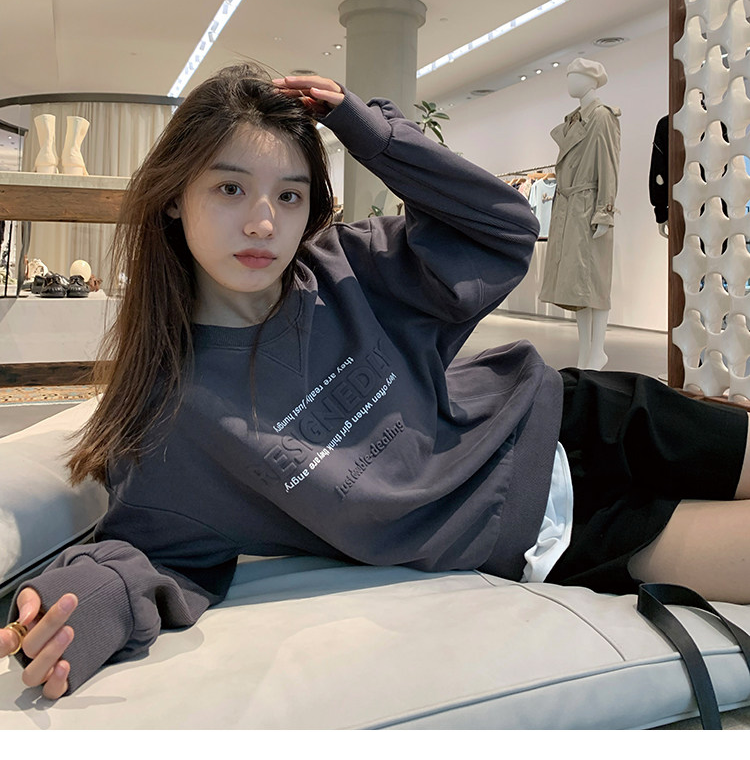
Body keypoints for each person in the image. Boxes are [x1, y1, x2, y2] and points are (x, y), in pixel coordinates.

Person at [2, 64, 749, 701]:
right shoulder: (173, 418)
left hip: (584, 416)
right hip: (547, 535)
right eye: (230, 189)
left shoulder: (349, 268)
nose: (262, 223)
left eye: (289, 195)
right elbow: (148, 552)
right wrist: (87, 603)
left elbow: (502, 229)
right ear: (174, 196)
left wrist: (376, 137)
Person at [539, 57, 621, 370]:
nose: (569, 82)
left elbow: (609, 166)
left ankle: (598, 349)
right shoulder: (574, 119)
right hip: (570, 207)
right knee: (577, 285)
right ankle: (586, 349)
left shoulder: (601, 116)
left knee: (594, 282)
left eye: (574, 76)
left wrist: (605, 212)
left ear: (590, 80)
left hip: (588, 207)